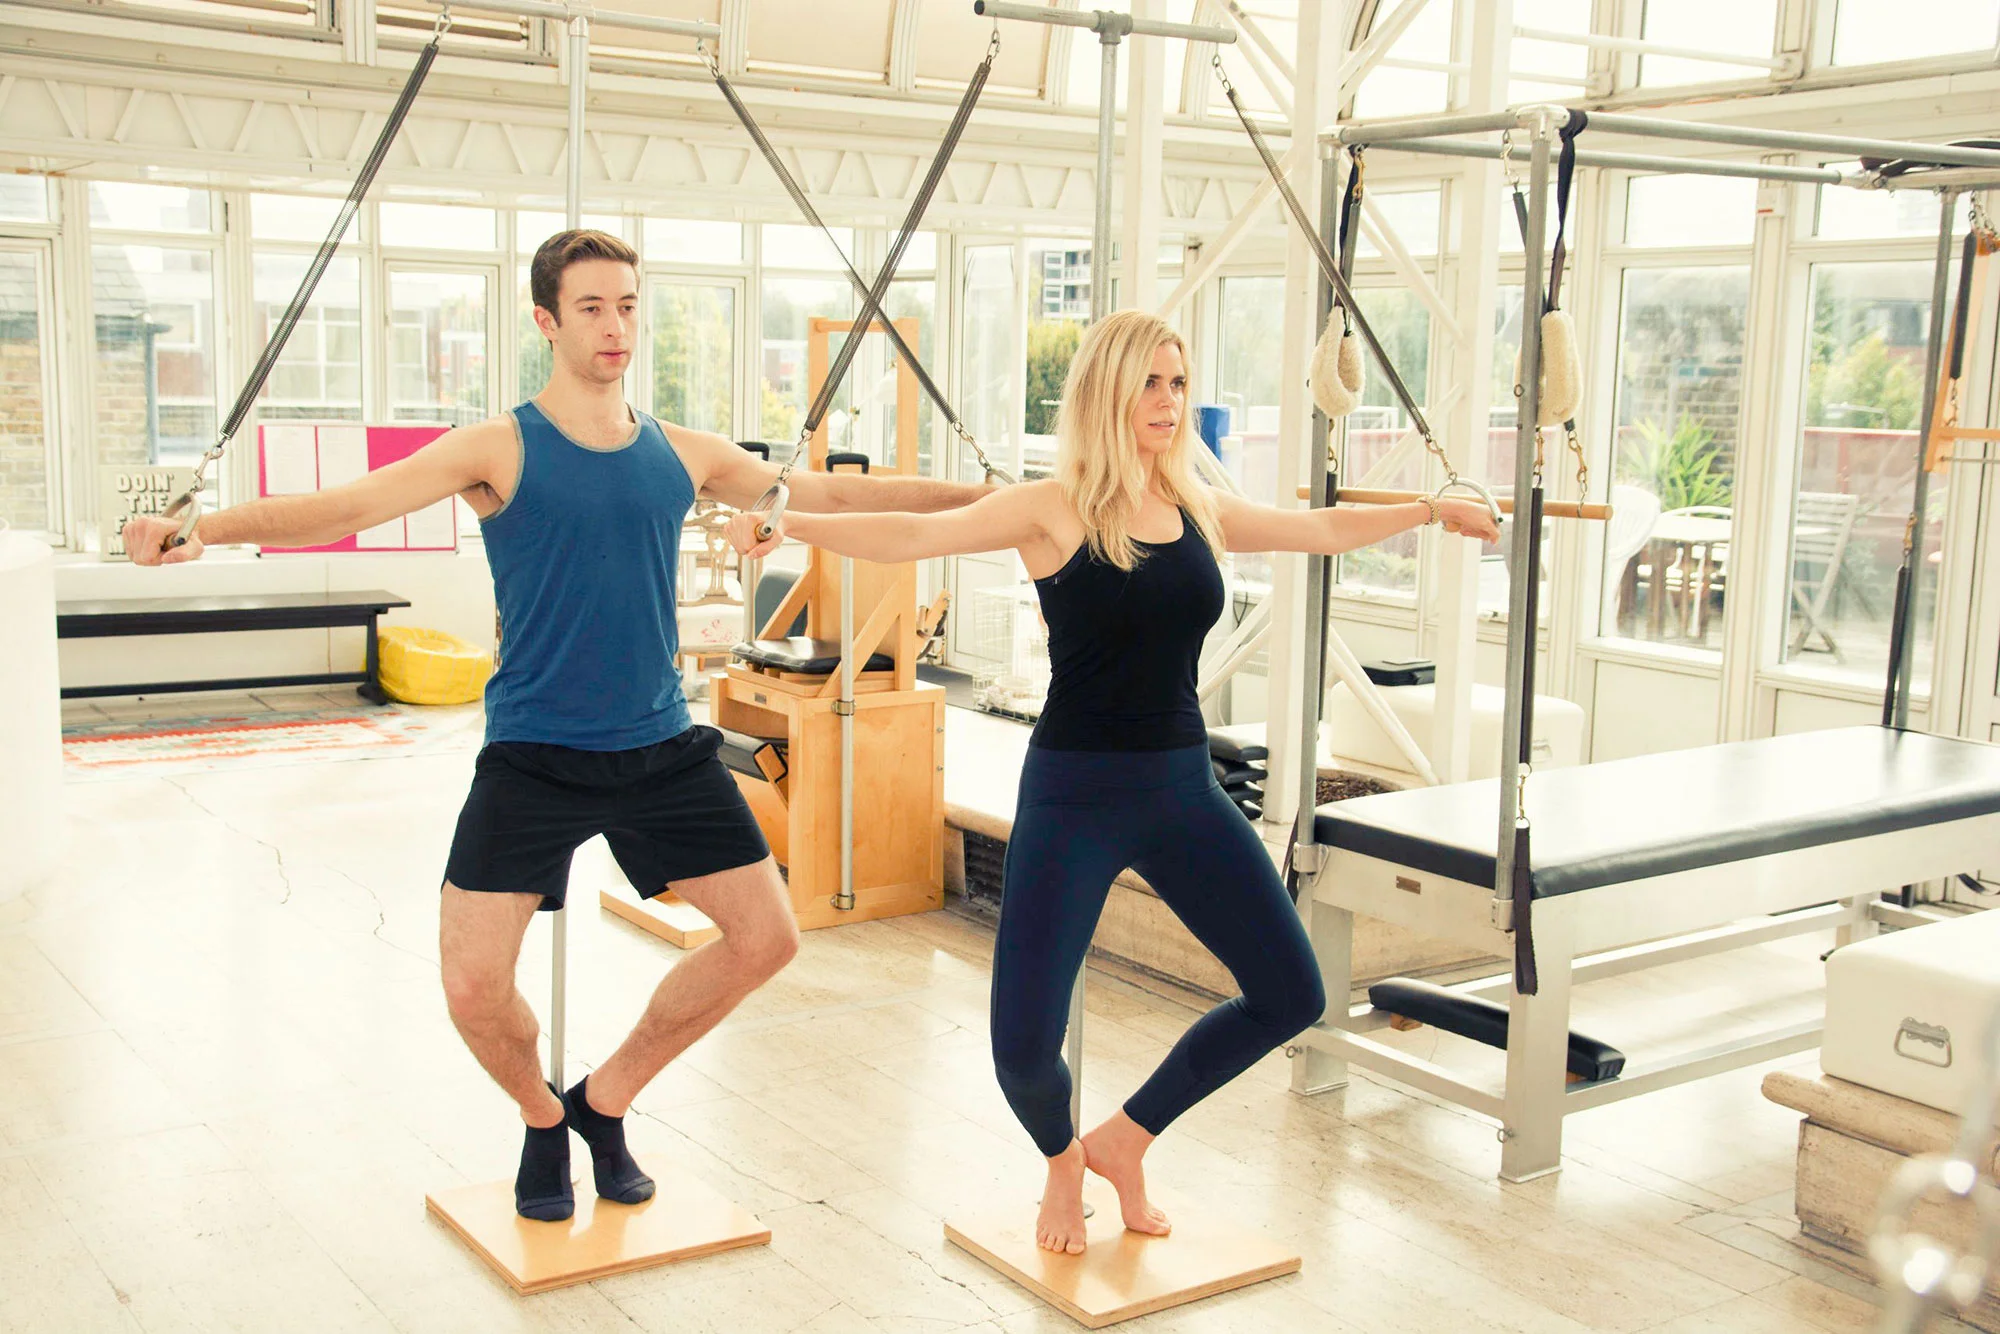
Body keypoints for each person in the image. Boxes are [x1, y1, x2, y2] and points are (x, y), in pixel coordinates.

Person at [124, 229, 993, 1222]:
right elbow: (348, 504)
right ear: (546, 319)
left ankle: (605, 1097)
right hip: (533, 756)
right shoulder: (498, 446)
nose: (614, 324)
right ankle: (542, 1116)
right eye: (590, 306)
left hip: (660, 748)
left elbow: (837, 494)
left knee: (765, 940)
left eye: (626, 304)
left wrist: (992, 497)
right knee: (469, 985)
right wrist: (203, 530)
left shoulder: (679, 452)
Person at [727, 309, 1500, 1254]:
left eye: (1178, 381)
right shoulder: (1053, 508)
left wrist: (1428, 510)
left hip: (1182, 793)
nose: (1169, 401)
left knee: (1292, 993)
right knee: (1020, 1053)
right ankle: (1061, 1159)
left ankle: (1126, 1139)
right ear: (1107, 392)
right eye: (1150, 383)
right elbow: (909, 535)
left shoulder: (1196, 508)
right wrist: (787, 519)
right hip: (1074, 795)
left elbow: (1318, 527)